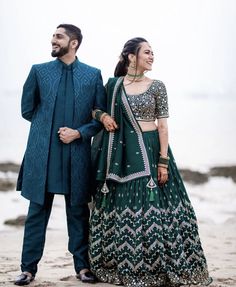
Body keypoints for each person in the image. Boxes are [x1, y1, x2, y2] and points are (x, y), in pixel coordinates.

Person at [89, 37, 213, 286]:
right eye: (147, 52)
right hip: (122, 156)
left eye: (153, 52)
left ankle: (162, 267)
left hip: (152, 148)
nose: (152, 56)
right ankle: (124, 264)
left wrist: (163, 162)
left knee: (158, 210)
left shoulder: (157, 85)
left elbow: (163, 126)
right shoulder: (114, 86)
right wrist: (103, 117)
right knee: (125, 208)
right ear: (130, 56)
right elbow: (94, 108)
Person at [14, 24, 106, 285]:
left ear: (73, 42)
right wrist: (47, 128)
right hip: (42, 155)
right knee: (36, 212)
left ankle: (82, 267)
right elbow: (27, 110)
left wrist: (78, 133)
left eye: (59, 36)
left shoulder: (92, 75)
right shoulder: (39, 71)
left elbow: (99, 117)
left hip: (76, 154)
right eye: (53, 36)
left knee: (78, 213)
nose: (53, 40)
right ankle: (28, 269)